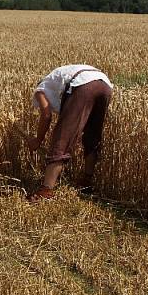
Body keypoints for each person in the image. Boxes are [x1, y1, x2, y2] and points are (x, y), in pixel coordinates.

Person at [26, 64, 113, 201]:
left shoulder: (40, 90)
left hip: (82, 84)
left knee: (62, 137)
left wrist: (38, 139)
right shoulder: (56, 80)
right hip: (105, 84)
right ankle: (87, 182)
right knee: (92, 135)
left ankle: (46, 190)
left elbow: (46, 115)